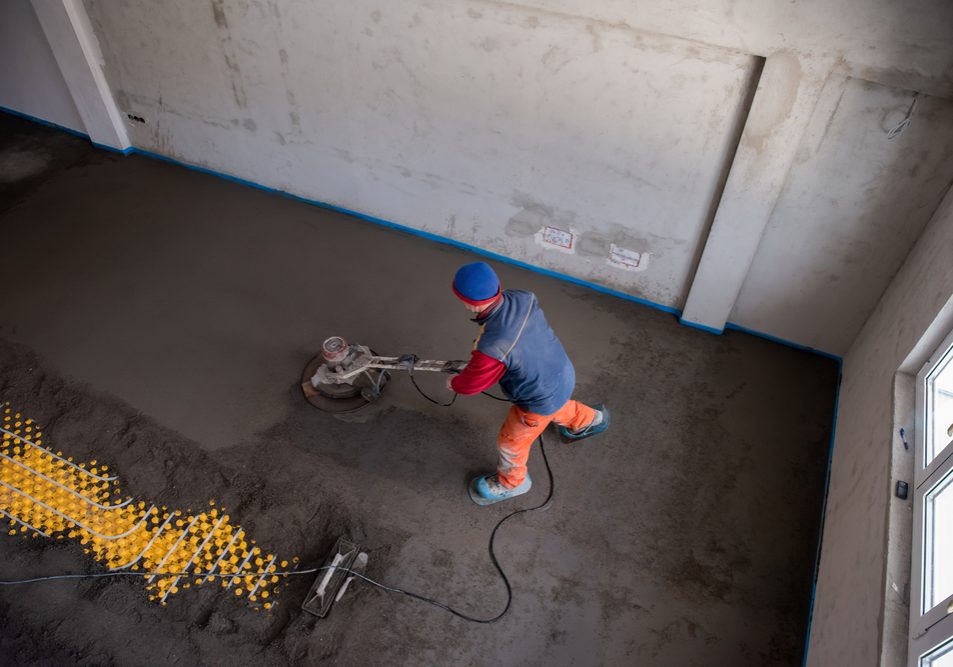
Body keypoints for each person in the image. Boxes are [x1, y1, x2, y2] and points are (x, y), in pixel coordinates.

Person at [446, 261, 609, 506]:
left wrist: (456, 383)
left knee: (511, 441)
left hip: (535, 399)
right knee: (557, 404)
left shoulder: (492, 346)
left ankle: (513, 483)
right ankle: (590, 420)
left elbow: (473, 384)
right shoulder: (522, 298)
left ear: (469, 302)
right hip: (560, 373)